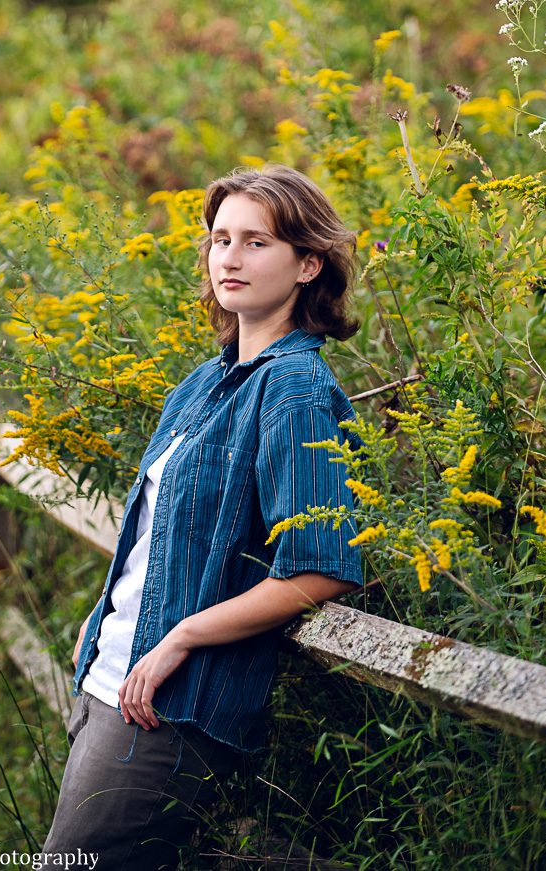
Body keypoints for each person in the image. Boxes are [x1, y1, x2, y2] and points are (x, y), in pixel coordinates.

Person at [42, 163, 364, 869]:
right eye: (222, 239)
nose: (231, 257)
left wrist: (180, 635)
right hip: (108, 677)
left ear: (308, 263)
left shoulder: (296, 390)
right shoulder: (204, 381)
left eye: (256, 242)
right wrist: (101, 626)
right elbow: (156, 538)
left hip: (170, 705)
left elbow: (322, 566)